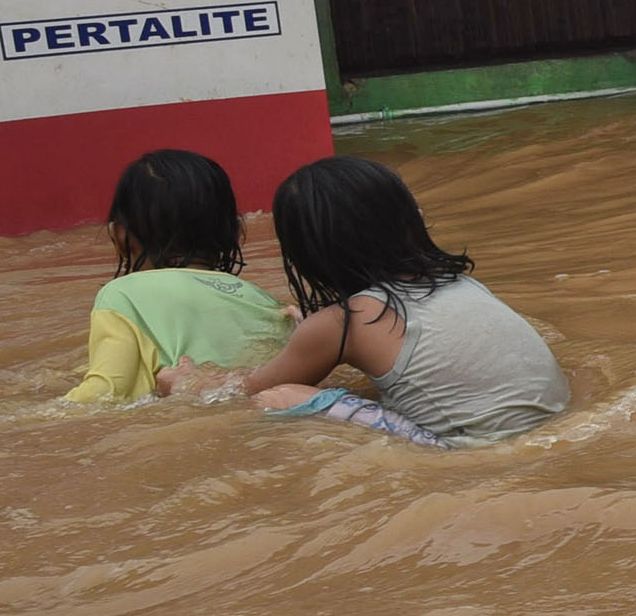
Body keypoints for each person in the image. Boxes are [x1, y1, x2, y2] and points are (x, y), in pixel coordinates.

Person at [195, 155, 569, 446]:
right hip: (558, 426)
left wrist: (189, 382)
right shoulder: (462, 284)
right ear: (413, 222)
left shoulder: (344, 322)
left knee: (280, 397)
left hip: (475, 451)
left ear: (310, 257)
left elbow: (245, 388)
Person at [64, 148, 290, 403]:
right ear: (235, 233)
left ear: (120, 236)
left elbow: (105, 394)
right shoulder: (262, 300)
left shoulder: (121, 296)